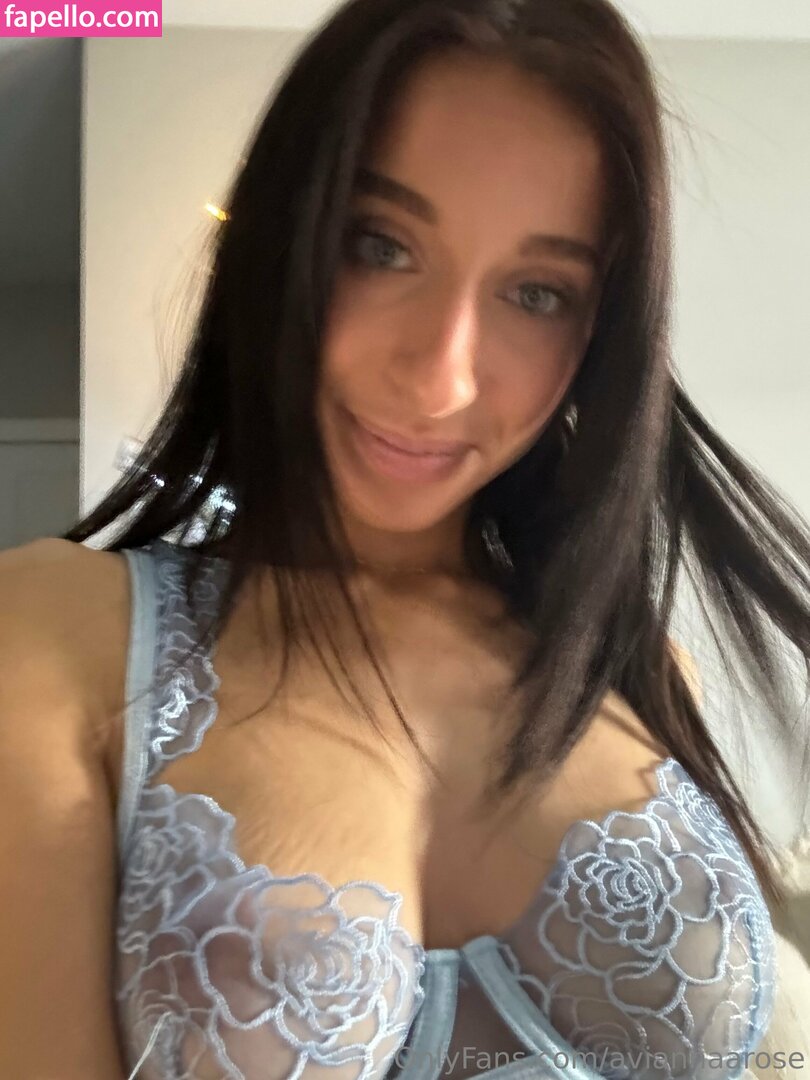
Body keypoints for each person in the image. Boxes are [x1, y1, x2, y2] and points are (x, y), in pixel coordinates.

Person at [1, 0, 807, 1077]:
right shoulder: (53, 638)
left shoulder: (642, 671)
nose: (440, 377)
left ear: (600, 331)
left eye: (537, 293)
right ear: (284, 241)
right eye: (380, 247)